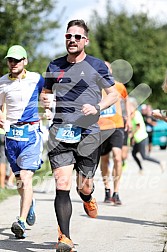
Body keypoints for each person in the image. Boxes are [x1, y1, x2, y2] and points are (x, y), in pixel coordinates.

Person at [40, 19, 118, 252]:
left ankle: (87, 197)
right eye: (68, 36)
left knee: (84, 185)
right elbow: (46, 92)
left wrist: (97, 107)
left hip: (89, 133)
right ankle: (65, 238)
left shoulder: (97, 66)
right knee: (61, 183)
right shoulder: (54, 66)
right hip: (60, 131)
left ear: (85, 40)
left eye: (76, 36)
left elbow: (113, 95)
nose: (71, 40)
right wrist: (46, 102)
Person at [0, 45, 44, 239]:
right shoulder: (2, 82)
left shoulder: (36, 78)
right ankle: (30, 202)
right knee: (20, 182)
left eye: (17, 60)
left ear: (25, 61)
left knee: (26, 177)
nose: (13, 63)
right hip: (11, 137)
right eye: (10, 60)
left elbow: (49, 94)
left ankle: (21, 221)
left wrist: (49, 107)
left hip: (31, 134)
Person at [98, 61, 131, 205]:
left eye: (107, 68)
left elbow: (126, 101)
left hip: (117, 126)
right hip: (101, 128)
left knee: (118, 158)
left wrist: (128, 118)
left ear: (111, 70)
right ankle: (107, 190)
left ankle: (116, 192)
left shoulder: (119, 86)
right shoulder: (95, 87)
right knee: (104, 161)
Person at [129, 98, 163, 174]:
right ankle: (141, 169)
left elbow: (138, 126)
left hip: (142, 138)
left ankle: (159, 162)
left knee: (144, 156)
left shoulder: (137, 114)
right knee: (134, 154)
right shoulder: (133, 114)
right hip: (138, 138)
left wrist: (131, 135)